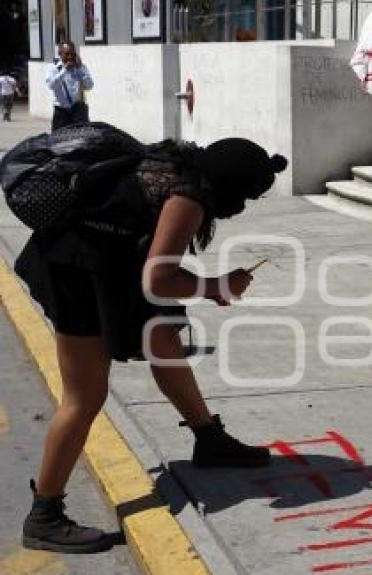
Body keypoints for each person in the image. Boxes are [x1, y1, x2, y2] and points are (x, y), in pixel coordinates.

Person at [16, 133, 288, 553]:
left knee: (164, 340)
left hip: (108, 264)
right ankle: (44, 514)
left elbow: (153, 268)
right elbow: (158, 279)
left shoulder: (178, 165)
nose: (243, 207)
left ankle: (209, 440)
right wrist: (219, 283)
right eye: (246, 197)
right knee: (84, 396)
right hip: (74, 269)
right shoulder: (188, 197)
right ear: (229, 186)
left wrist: (207, 286)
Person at [46, 41, 94, 131]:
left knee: (82, 139)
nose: (70, 57)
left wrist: (80, 70)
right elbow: (51, 85)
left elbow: (89, 85)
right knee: (58, 141)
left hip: (79, 110)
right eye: (67, 54)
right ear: (60, 54)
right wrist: (64, 71)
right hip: (61, 111)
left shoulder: (80, 68)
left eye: (73, 54)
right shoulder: (53, 68)